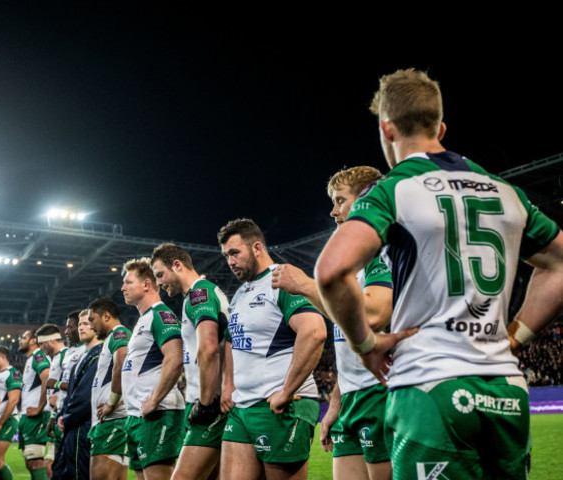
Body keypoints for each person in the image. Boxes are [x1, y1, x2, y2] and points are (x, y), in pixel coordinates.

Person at [315, 68, 563, 479]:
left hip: (431, 389)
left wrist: (366, 343)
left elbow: (331, 271)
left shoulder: (392, 189)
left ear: (386, 129)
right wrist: (517, 335)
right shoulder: (505, 191)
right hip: (505, 389)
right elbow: (558, 264)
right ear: (440, 127)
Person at [271, 166, 393, 480]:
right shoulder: (355, 262)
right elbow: (347, 343)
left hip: (379, 394)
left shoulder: (382, 249)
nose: (333, 210)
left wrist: (305, 286)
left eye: (340, 201)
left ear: (367, 199)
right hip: (352, 397)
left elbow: (373, 317)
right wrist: (336, 402)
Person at [217, 218, 327, 480]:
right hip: (243, 407)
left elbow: (314, 331)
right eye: (226, 256)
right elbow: (232, 340)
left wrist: (287, 391)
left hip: (280, 407)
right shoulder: (241, 294)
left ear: (257, 247)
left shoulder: (283, 279)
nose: (230, 262)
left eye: (235, 253)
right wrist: (228, 384)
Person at [150, 243, 234, 480]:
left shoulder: (199, 294)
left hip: (210, 404)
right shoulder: (203, 294)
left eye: (160, 275)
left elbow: (208, 349)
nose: (159, 283)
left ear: (177, 265)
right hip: (208, 399)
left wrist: (206, 403)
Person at [120, 258, 186, 479]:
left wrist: (155, 399)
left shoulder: (161, 315)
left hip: (158, 412)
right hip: (137, 414)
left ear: (147, 284)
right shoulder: (143, 320)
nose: (122, 288)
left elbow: (175, 358)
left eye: (128, 282)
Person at [52, 310, 103, 480]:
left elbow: (84, 397)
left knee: (78, 473)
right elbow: (72, 394)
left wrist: (66, 417)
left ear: (97, 325)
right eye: (80, 324)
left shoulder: (99, 355)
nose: (81, 327)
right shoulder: (83, 356)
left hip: (83, 426)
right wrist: (61, 414)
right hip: (73, 424)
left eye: (86, 323)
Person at [88, 297, 132, 480]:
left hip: (112, 420)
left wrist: (111, 402)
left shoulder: (118, 333)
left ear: (106, 316)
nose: (91, 326)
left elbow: (122, 359)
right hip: (112, 420)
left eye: (92, 319)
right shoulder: (111, 339)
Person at [18, 329, 52, 480]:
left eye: (23, 337)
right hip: (28, 416)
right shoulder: (31, 358)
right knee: (29, 461)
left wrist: (39, 407)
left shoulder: (38, 356)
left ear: (33, 340)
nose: (20, 340)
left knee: (35, 462)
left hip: (38, 416)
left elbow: (46, 376)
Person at [35, 323, 67, 477]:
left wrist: (58, 390)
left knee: (55, 466)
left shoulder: (67, 356)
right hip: (56, 416)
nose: (40, 348)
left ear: (52, 341)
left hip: (66, 417)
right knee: (51, 465)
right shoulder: (55, 358)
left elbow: (77, 385)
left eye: (42, 344)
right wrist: (53, 417)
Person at [0, 346, 22, 480]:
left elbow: (13, 400)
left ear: (3, 357)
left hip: (6, 421)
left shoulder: (12, 373)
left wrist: (0, 424)